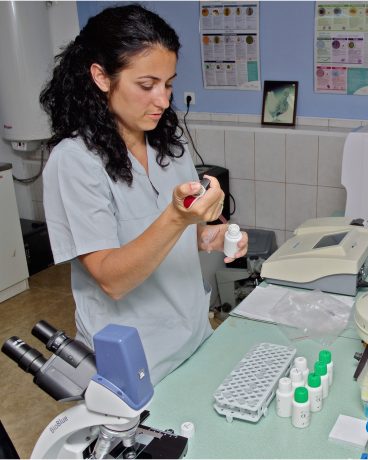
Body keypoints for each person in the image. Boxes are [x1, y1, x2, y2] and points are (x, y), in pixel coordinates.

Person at [39, 4, 248, 385]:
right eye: (147, 85)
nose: (163, 101)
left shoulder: (169, 145)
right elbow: (111, 279)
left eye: (168, 84)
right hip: (137, 358)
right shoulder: (75, 161)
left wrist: (211, 237)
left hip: (193, 336)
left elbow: (175, 236)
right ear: (102, 77)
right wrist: (177, 217)